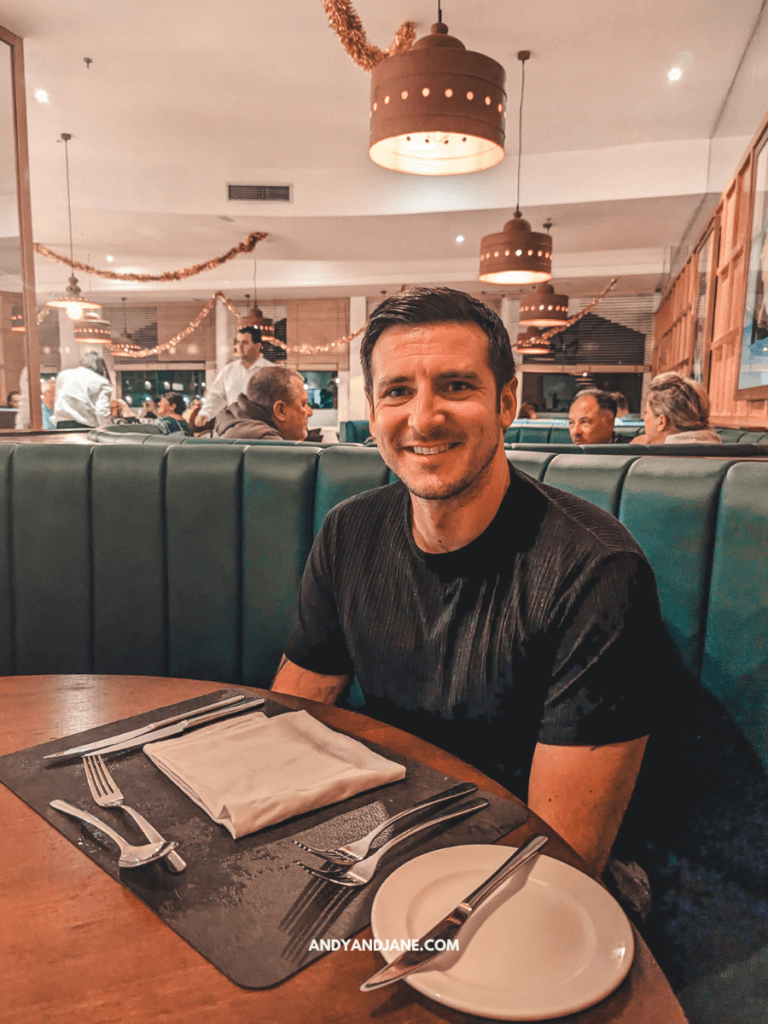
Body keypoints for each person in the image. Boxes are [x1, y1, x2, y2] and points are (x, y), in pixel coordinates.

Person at [272, 286, 667, 876]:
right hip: (387, 829)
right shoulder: (348, 532)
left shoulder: (596, 571)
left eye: (457, 386)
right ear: (375, 413)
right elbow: (294, 720)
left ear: (506, 402)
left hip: (529, 862)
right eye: (398, 391)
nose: (424, 417)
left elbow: (564, 857)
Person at [191, 326, 272, 430]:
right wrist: (205, 413)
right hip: (234, 427)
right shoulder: (228, 370)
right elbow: (216, 396)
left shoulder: (270, 370)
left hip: (262, 427)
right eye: (238, 342)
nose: (239, 346)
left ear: (257, 346)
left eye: (245, 343)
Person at [214, 365, 312, 440]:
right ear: (280, 411)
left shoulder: (234, 429)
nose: (310, 412)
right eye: (303, 404)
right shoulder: (270, 445)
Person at [630, 372, 722, 445]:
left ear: (661, 422)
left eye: (646, 412)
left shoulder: (649, 464)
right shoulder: (727, 456)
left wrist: (633, 452)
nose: (644, 419)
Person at [54, 352, 113, 429]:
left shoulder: (63, 375)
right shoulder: (102, 381)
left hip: (62, 424)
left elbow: (58, 400)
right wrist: (107, 429)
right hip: (85, 426)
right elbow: (101, 411)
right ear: (101, 366)